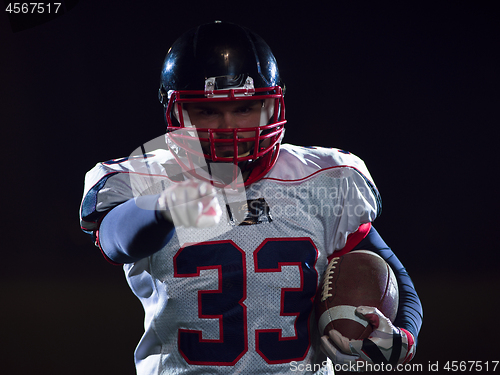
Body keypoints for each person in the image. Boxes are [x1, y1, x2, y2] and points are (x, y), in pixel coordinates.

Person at [79, 21, 422, 374]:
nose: (228, 126)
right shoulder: (150, 178)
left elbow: (390, 273)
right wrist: (162, 207)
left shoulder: (323, 178)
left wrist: (404, 335)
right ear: (176, 111)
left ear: (273, 106)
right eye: (208, 111)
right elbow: (114, 240)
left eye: (245, 109)